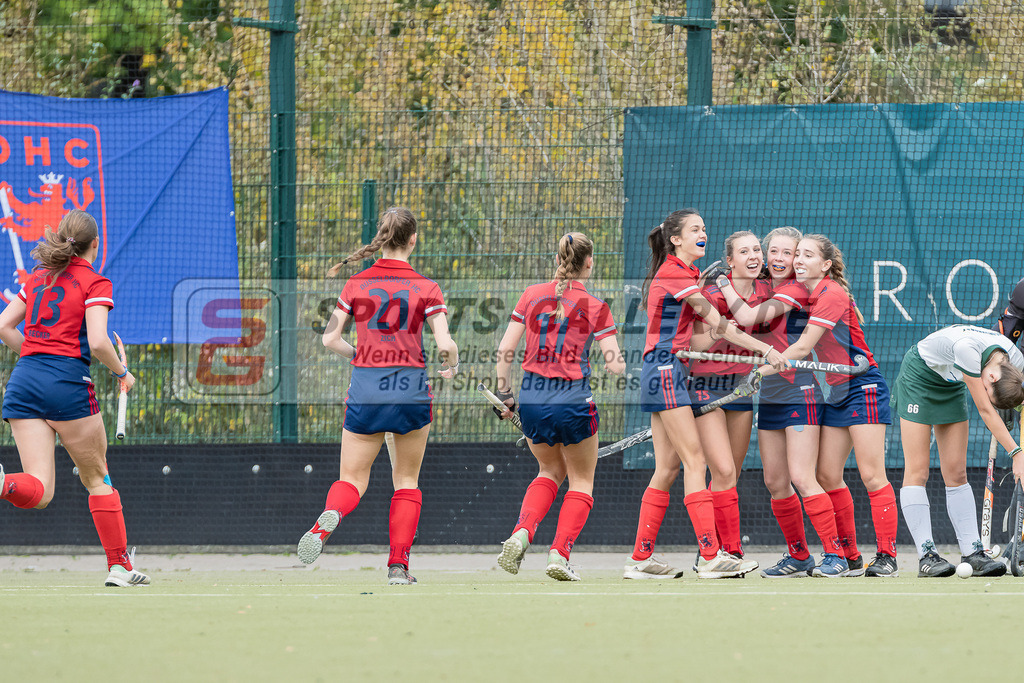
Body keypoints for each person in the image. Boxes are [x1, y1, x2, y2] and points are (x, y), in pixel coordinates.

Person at [298, 207, 459, 585]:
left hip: (367, 389)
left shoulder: (356, 283)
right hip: (411, 391)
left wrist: (362, 356)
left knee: (352, 478)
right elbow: (446, 343)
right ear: (413, 240)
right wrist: (450, 366)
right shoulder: (427, 287)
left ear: (381, 238)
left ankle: (331, 517)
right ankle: (398, 567)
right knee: (406, 480)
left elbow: (329, 339)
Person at [624, 209, 788, 579]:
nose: (703, 234)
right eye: (695, 230)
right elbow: (721, 326)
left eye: (705, 229)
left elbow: (708, 330)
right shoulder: (675, 273)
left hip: (668, 371)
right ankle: (711, 556)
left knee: (667, 468)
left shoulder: (688, 274)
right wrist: (766, 350)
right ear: (676, 239)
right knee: (696, 463)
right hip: (665, 370)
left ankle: (639, 559)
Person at [0, 209, 147, 587]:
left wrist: (35, 355)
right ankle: (119, 567)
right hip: (66, 385)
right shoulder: (95, 282)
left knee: (39, 490)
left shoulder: (36, 279)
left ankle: (1, 484)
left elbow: (3, 325)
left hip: (24, 383)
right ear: (94, 245)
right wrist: (122, 373)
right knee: (97, 476)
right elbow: (98, 341)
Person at [750, 234, 899, 577]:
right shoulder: (806, 293)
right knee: (828, 475)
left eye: (806, 255)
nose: (797, 260)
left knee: (872, 475)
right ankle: (848, 556)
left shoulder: (831, 293)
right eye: (796, 254)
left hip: (863, 387)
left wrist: (760, 371)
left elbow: (803, 348)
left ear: (826, 264)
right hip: (835, 390)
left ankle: (887, 556)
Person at [492, 232, 624, 581]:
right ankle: (559, 554)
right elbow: (615, 365)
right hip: (574, 400)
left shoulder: (531, 295)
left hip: (533, 398)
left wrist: (505, 393)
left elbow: (504, 352)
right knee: (581, 481)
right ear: (589, 264)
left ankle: (521, 533)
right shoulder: (596, 306)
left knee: (548, 471)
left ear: (557, 260)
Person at [718, 227, 848, 578]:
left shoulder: (793, 289)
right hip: (769, 396)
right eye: (771, 251)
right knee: (776, 482)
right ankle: (799, 556)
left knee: (804, 477)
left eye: (787, 253)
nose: (778, 259)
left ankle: (835, 555)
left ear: (798, 259)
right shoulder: (765, 287)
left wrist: (722, 283)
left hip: (799, 392)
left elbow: (747, 319)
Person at [895, 325, 1023, 577]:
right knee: (917, 470)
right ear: (992, 379)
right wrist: (1016, 452)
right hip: (919, 377)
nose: (987, 396)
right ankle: (926, 555)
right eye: (988, 393)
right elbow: (986, 410)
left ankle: (973, 553)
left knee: (956, 472)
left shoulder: (1016, 361)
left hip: (951, 383)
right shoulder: (967, 351)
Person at [688, 231, 772, 559]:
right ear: (730, 261)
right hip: (705, 388)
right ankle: (723, 551)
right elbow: (693, 346)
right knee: (721, 470)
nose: (753, 256)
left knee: (730, 476)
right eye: (744, 251)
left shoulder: (768, 292)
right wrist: (718, 327)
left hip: (741, 389)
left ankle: (719, 548)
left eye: (756, 250)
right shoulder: (711, 295)